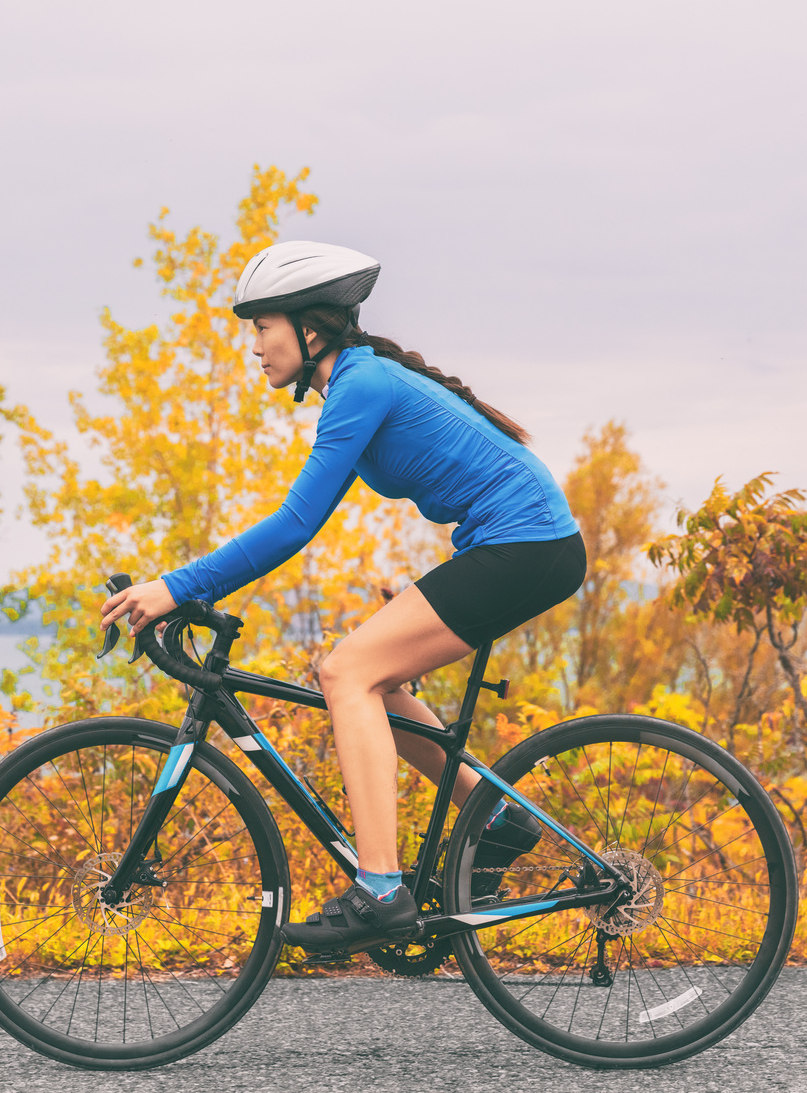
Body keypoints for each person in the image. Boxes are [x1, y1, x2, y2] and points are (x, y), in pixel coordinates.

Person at [100, 240, 586, 956]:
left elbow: (294, 523)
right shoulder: (354, 385)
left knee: (345, 672)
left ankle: (381, 887)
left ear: (310, 328)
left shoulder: (362, 385)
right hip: (521, 545)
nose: (255, 346)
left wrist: (175, 586)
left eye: (262, 327)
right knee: (373, 680)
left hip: (525, 546)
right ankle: (498, 820)